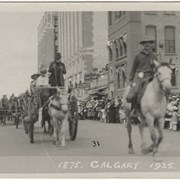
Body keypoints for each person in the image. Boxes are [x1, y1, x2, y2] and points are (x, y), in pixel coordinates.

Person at [126, 36, 158, 120]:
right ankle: (134, 110)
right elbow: (133, 68)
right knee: (135, 91)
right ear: (143, 46)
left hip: (151, 76)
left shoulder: (153, 56)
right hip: (140, 76)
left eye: (150, 44)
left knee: (161, 89)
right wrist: (130, 79)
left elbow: (157, 67)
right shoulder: (138, 56)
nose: (148, 46)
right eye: (146, 45)